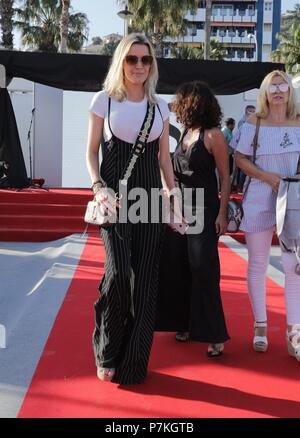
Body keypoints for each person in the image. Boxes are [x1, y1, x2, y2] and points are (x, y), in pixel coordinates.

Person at [86, 33, 176, 384]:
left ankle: (134, 362)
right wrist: (97, 187)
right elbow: (91, 150)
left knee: (146, 284)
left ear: (152, 65)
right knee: (119, 272)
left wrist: (174, 197)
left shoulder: (161, 106)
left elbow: (164, 159)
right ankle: (107, 349)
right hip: (114, 198)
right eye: (132, 59)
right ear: (121, 61)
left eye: (146, 60)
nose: (139, 66)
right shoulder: (103, 100)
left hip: (151, 199)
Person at [156, 81, 230, 357]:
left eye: (180, 101)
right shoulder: (186, 132)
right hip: (179, 209)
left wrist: (222, 213)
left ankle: (214, 335)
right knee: (178, 266)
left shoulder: (213, 136)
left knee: (204, 270)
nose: (176, 106)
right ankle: (183, 324)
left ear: (193, 103)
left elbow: (225, 176)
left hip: (204, 209)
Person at [235, 70, 300, 361]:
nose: (278, 90)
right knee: (258, 262)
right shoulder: (253, 123)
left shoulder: (299, 123)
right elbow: (239, 158)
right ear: (264, 91)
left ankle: (294, 331)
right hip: (259, 196)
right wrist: (268, 177)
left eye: (282, 85)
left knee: (293, 266)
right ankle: (260, 325)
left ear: (290, 91)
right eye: (272, 86)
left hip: (294, 200)